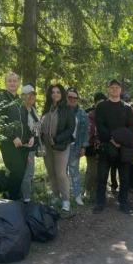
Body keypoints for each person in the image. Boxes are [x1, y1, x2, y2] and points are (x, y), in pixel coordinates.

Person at [94, 78, 133, 214]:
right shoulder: (101, 107)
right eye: (112, 87)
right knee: (102, 177)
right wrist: (112, 139)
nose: (114, 90)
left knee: (124, 178)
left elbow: (131, 127)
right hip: (106, 146)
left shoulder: (127, 108)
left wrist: (121, 141)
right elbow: (100, 126)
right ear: (108, 89)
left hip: (123, 149)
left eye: (117, 88)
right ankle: (100, 203)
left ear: (120, 90)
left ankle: (123, 203)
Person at [39, 83, 76, 213]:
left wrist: (57, 139)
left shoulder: (67, 109)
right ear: (50, 94)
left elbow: (70, 129)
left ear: (62, 95)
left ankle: (66, 200)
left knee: (60, 173)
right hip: (47, 145)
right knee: (51, 172)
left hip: (61, 145)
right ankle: (56, 196)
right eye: (53, 92)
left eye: (58, 92)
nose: (55, 94)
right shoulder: (46, 108)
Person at [0, 71, 22, 194]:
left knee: (20, 171)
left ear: (18, 83)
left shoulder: (19, 100)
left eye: (15, 81)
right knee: (16, 170)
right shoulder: (0, 97)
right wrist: (13, 137)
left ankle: (11, 196)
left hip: (21, 142)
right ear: (5, 83)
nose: (12, 83)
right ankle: (9, 196)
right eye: (10, 81)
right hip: (8, 142)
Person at [15, 84, 41, 202]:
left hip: (32, 145)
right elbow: (21, 129)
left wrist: (35, 137)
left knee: (30, 172)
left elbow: (37, 126)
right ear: (23, 96)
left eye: (33, 95)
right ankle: (26, 199)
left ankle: (26, 196)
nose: (31, 97)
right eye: (28, 95)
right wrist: (31, 137)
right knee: (28, 173)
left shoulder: (33, 109)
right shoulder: (20, 110)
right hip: (24, 147)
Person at [65, 87, 89, 207]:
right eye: (70, 97)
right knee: (61, 173)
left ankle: (77, 196)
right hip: (61, 148)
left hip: (75, 146)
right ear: (66, 97)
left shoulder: (82, 113)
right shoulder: (60, 110)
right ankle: (63, 196)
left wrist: (83, 147)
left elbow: (85, 131)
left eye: (75, 97)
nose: (73, 99)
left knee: (74, 172)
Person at [84, 92, 106, 202]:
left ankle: (97, 194)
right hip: (91, 147)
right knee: (92, 171)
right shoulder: (89, 115)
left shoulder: (107, 115)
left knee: (101, 172)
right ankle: (88, 190)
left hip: (104, 147)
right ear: (95, 103)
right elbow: (86, 132)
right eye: (99, 103)